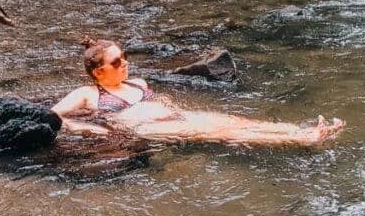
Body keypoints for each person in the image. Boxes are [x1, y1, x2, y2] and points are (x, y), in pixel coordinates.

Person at [51, 37, 345, 147]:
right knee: (225, 134)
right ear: (99, 71)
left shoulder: (137, 83)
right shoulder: (88, 93)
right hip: (146, 129)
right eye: (117, 61)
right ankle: (303, 140)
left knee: (235, 122)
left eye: (124, 56)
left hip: (177, 117)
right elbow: (52, 116)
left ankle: (299, 128)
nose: (125, 62)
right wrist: (89, 130)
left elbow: (162, 99)